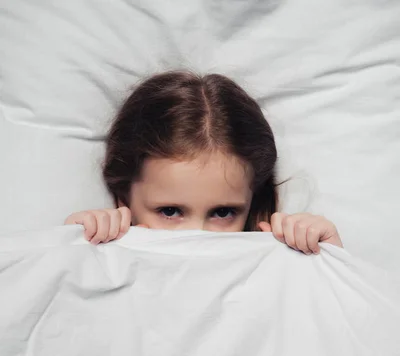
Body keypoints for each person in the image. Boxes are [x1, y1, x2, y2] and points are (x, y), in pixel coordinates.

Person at [65, 71, 343, 255]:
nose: (196, 236)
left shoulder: (278, 265)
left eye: (223, 213)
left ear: (251, 202)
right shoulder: (98, 251)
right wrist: (76, 247)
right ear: (124, 197)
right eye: (170, 211)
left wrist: (327, 260)